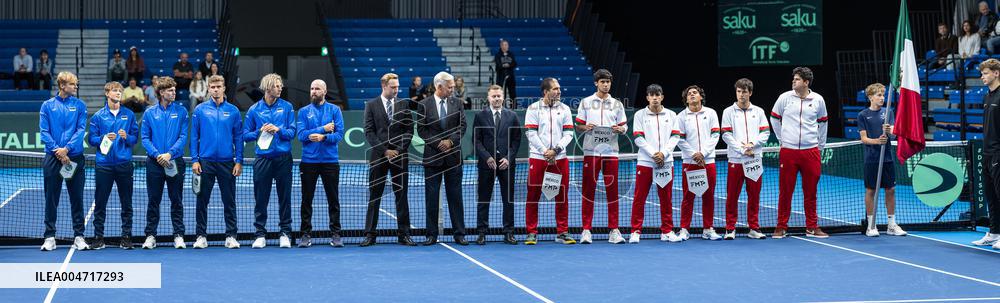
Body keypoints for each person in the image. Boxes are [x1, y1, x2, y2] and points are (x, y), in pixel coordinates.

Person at [770, 67, 829, 239]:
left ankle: (812, 227)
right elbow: (774, 117)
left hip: (811, 152)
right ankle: (781, 227)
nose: (793, 81)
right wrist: (782, 139)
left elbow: (823, 123)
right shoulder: (784, 98)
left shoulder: (818, 100)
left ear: (806, 82)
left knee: (811, 192)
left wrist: (820, 147)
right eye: (793, 79)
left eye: (797, 79)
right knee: (785, 191)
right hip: (789, 152)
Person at [360, 73, 417, 247]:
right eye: (393, 87)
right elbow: (369, 132)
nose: (396, 89)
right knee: (374, 196)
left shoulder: (404, 105)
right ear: (384, 86)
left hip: (400, 158)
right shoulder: (371, 105)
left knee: (401, 196)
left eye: (397, 86)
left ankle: (404, 234)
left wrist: (398, 150)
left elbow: (409, 131)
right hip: (379, 158)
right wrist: (385, 151)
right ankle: (370, 235)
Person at [242, 73, 296, 248]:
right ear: (267, 88)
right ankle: (260, 234)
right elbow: (245, 135)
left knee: (285, 198)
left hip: (283, 159)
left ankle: (285, 233)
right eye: (277, 86)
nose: (280, 88)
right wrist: (260, 131)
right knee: (261, 198)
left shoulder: (287, 107)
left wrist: (278, 129)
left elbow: (292, 133)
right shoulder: (254, 110)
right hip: (262, 160)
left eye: (281, 85)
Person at [190, 74, 243, 249]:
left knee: (229, 200)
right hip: (205, 162)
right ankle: (201, 236)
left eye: (218, 86)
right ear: (208, 88)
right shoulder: (200, 110)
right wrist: (195, 160)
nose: (215, 89)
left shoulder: (234, 111)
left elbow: (238, 137)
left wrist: (239, 161)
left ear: (224, 88)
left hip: (227, 163)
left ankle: (231, 236)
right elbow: (194, 137)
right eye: (212, 87)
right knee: (202, 200)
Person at [575, 69, 628, 244]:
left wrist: (621, 129)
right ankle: (586, 230)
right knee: (588, 191)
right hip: (591, 152)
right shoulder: (586, 102)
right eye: (602, 82)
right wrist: (586, 127)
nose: (606, 84)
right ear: (596, 83)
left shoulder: (617, 104)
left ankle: (614, 230)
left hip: (611, 152)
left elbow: (624, 126)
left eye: (608, 82)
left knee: (612, 192)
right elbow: (578, 126)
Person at [38, 72, 88, 251]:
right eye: (73, 84)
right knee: (51, 198)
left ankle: (79, 236)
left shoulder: (80, 105)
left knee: (77, 198)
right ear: (62, 86)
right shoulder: (47, 106)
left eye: (76, 84)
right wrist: (59, 152)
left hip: (74, 157)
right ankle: (50, 236)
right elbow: (44, 132)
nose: (76, 87)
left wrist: (66, 149)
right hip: (53, 157)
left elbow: (81, 130)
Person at [86, 81, 139, 250]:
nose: (118, 93)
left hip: (124, 165)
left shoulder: (129, 115)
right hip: (104, 166)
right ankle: (98, 236)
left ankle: (126, 236)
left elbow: (134, 139)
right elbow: (91, 139)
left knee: (126, 203)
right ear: (107, 94)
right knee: (100, 203)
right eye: (115, 91)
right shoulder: (98, 117)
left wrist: (126, 137)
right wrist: (104, 138)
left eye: (120, 91)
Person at [417, 71, 468, 246]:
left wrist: (450, 142)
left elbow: (462, 126)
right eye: (450, 87)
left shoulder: (458, 103)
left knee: (456, 197)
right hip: (432, 159)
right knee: (431, 198)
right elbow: (422, 130)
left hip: (453, 158)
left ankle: (459, 234)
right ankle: (431, 235)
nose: (453, 89)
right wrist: (439, 143)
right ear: (439, 87)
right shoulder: (423, 104)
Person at [524, 78, 576, 245]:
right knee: (533, 196)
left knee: (561, 196)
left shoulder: (565, 109)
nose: (559, 91)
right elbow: (531, 134)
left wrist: (556, 150)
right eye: (555, 89)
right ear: (545, 92)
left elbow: (569, 134)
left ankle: (562, 232)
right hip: (539, 159)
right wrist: (545, 152)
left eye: (559, 88)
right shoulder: (533, 109)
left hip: (559, 159)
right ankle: (532, 232)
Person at [628, 84, 682, 244]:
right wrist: (653, 154)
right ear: (647, 98)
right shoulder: (639, 115)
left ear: (662, 97)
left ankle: (667, 231)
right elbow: (638, 137)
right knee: (639, 198)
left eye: (657, 95)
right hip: (645, 162)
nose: (655, 98)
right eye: (651, 95)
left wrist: (663, 154)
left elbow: (675, 137)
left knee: (666, 198)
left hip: (666, 163)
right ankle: (635, 231)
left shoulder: (672, 115)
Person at [296, 79, 346, 248]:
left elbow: (339, 136)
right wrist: (322, 130)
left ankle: (336, 233)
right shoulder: (303, 112)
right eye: (311, 88)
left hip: (330, 162)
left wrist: (324, 138)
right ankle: (305, 234)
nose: (313, 91)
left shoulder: (335, 110)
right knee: (306, 200)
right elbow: (301, 135)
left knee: (333, 199)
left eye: (317, 89)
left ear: (324, 91)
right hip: (308, 162)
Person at [140, 76, 189, 249]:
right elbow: (145, 138)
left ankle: (178, 235)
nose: (174, 92)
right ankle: (151, 235)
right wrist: (157, 155)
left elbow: (183, 137)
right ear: (161, 93)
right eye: (170, 90)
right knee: (154, 200)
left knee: (176, 200)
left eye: (174, 90)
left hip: (175, 162)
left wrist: (169, 154)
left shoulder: (182, 112)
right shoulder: (149, 113)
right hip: (154, 163)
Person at [720, 78, 770, 240]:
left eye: (745, 91)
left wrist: (752, 145)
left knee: (754, 195)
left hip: (754, 160)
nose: (742, 94)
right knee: (732, 195)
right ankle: (730, 228)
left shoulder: (759, 111)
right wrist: (742, 149)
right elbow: (726, 134)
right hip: (736, 160)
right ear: (736, 93)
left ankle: (754, 228)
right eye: (739, 91)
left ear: (750, 93)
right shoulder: (728, 112)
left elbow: (765, 133)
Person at [473, 85, 521, 245]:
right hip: (487, 166)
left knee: (508, 200)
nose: (497, 99)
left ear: (503, 97)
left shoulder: (512, 116)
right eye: (493, 96)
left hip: (506, 166)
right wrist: (487, 157)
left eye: (499, 96)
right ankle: (481, 233)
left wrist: (508, 158)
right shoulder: (480, 116)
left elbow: (516, 141)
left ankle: (509, 232)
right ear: (488, 98)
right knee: (484, 199)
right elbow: (476, 140)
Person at [858, 83, 907, 237]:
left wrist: (889, 131)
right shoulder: (863, 115)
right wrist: (876, 141)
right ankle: (871, 226)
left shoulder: (888, 112)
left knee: (891, 190)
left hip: (887, 159)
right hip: (872, 159)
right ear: (870, 97)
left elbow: (893, 135)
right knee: (871, 190)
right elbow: (864, 139)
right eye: (879, 95)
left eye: (883, 95)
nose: (882, 98)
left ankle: (891, 225)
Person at [676, 85, 722, 241]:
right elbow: (680, 139)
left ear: (701, 96)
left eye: (695, 93)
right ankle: (684, 229)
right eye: (689, 94)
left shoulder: (711, 113)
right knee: (688, 197)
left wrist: (703, 153)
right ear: (686, 99)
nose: (692, 95)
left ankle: (708, 229)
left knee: (708, 196)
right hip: (689, 162)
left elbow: (715, 135)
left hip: (707, 161)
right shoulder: (681, 116)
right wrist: (693, 154)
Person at [973, 58, 1000, 249]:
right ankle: (994, 232)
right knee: (991, 196)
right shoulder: (987, 97)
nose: (982, 77)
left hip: (999, 153)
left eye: (986, 73)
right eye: (982, 73)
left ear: (996, 73)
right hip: (987, 152)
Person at [494, 39, 517, 106]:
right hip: (501, 77)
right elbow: (498, 65)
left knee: (512, 92)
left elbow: (514, 64)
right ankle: (500, 106)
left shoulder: (511, 54)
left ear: (508, 46)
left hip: (510, 76)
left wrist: (508, 65)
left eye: (506, 45)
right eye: (503, 45)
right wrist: (505, 65)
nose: (505, 46)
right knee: (501, 93)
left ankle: (514, 107)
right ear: (501, 46)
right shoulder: (498, 55)